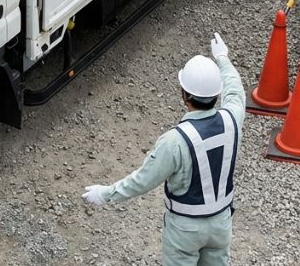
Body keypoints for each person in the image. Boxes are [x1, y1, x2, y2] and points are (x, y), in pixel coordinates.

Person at [81, 33, 244, 266]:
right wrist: (223, 59)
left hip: (185, 229)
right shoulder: (232, 119)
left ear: (184, 95)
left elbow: (143, 180)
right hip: (221, 223)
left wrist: (106, 194)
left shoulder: (174, 141)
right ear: (217, 94)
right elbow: (236, 91)